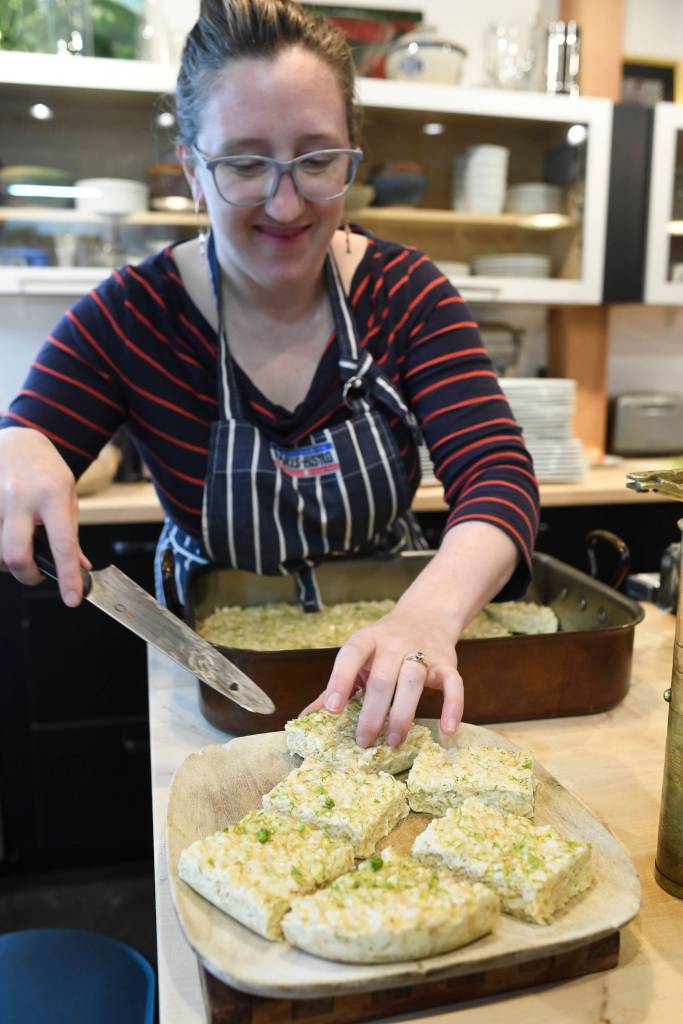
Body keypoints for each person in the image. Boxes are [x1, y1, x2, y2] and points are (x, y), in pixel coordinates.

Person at [0, 0, 539, 749]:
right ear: (192, 166)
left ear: (352, 155)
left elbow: (496, 472)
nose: (287, 203)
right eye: (246, 162)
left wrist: (426, 615)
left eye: (317, 159)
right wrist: (18, 445)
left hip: (400, 667)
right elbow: (27, 437)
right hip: (219, 687)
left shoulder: (406, 294)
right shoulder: (131, 316)